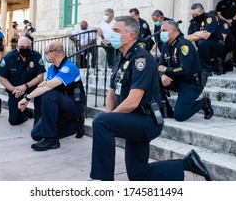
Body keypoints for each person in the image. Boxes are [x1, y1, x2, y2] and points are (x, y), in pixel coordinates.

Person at [89, 16, 212, 181]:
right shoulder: (120, 57)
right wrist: (111, 116)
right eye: (112, 31)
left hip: (146, 120)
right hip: (132, 119)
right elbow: (112, 92)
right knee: (138, 176)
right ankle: (187, 164)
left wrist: (110, 119)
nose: (112, 34)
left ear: (131, 35)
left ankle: (103, 182)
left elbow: (133, 101)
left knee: (100, 121)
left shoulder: (142, 59)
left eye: (117, 31)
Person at [18, 40, 86, 151]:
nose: (46, 56)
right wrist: (45, 85)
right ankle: (74, 126)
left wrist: (26, 98)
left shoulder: (68, 68)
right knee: (36, 134)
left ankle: (51, 139)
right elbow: (46, 85)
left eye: (46, 53)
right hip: (59, 107)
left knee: (48, 94)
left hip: (74, 106)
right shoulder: (52, 68)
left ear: (53, 53)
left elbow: (49, 87)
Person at [158, 20, 213, 120]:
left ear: (174, 31)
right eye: (161, 31)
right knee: (155, 80)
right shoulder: (166, 46)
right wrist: (162, 75)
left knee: (180, 116)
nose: (161, 33)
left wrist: (166, 69)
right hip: (177, 81)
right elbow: (159, 65)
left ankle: (203, 102)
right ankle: (167, 111)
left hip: (191, 84)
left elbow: (184, 70)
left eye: (164, 30)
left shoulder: (184, 45)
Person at [0, 37, 46, 125]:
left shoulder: (36, 56)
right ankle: (25, 113)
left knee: (42, 94)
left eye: (27, 47)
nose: (25, 49)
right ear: (17, 47)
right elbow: (2, 78)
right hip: (16, 89)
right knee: (14, 121)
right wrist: (14, 90)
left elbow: (40, 77)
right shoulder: (9, 57)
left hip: (32, 87)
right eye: (22, 47)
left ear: (31, 48)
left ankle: (38, 123)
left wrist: (25, 87)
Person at [187, 3, 223, 76]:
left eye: (196, 15)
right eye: (193, 15)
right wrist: (198, 33)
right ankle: (215, 64)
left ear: (202, 11)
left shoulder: (210, 18)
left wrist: (194, 35)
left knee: (202, 43)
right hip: (203, 47)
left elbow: (206, 36)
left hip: (217, 45)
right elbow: (188, 37)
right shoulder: (193, 21)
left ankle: (207, 70)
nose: (194, 16)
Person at [216, 0, 236, 66]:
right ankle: (221, 60)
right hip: (223, 26)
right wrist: (225, 22)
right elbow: (218, 14)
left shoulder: (235, 3)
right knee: (222, 41)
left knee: (235, 42)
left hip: (233, 25)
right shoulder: (220, 3)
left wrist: (231, 20)